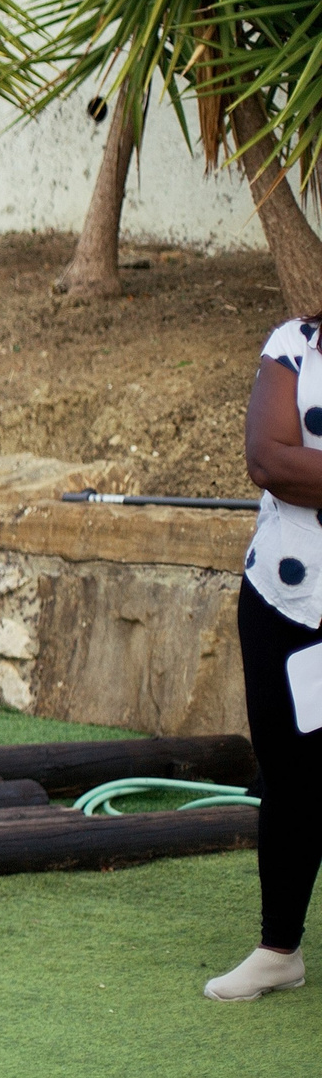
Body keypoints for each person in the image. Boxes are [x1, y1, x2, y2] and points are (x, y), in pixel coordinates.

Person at [211, 309, 322, 1000]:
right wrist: (292, 465)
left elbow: (294, 461)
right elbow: (268, 460)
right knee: (289, 777)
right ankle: (279, 948)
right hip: (284, 601)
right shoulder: (294, 344)